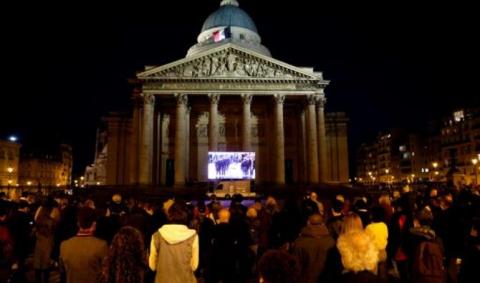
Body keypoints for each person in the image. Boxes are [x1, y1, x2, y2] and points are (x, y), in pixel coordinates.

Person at [149, 201, 199, 283]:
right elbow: (194, 266)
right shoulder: (193, 236)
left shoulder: (156, 236)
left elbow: (152, 266)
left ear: (169, 215)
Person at [60, 207, 108, 283]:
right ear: (94, 224)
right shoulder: (101, 245)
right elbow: (106, 272)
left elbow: (62, 270)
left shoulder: (64, 245)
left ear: (78, 223)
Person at [291, 213, 335, 283]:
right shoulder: (331, 241)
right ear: (323, 224)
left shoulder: (299, 242)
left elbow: (295, 266)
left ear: (308, 223)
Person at [33, 199, 57, 283]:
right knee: (46, 264)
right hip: (47, 243)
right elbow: (52, 231)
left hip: (39, 242)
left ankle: (37, 280)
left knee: (38, 263)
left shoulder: (38, 219)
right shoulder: (51, 221)